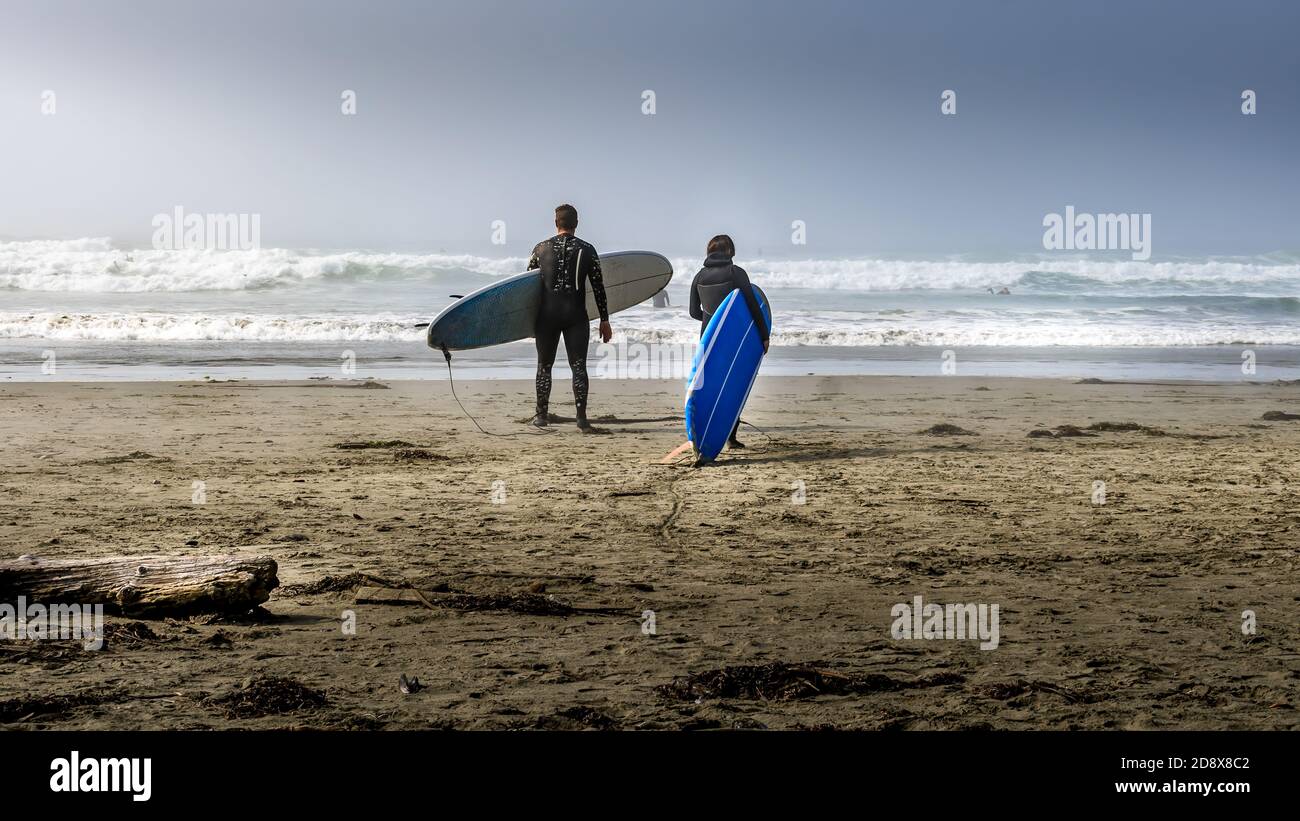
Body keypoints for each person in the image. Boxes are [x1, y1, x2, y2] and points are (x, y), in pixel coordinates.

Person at [527, 204, 612, 432]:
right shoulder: (588, 249)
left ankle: (540, 416)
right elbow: (598, 287)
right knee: (579, 367)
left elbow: (526, 288)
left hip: (546, 317)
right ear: (576, 224)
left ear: (556, 223)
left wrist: (523, 323)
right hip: (576, 317)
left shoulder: (540, 249)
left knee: (544, 366)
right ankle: (582, 419)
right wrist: (604, 320)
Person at [688, 234, 769, 449]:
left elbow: (693, 311)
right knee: (733, 385)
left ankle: (707, 432)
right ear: (730, 252)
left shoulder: (699, 276)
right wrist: (763, 335)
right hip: (733, 340)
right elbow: (752, 304)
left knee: (712, 385)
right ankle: (730, 437)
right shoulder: (736, 273)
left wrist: (711, 320)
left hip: (708, 339)